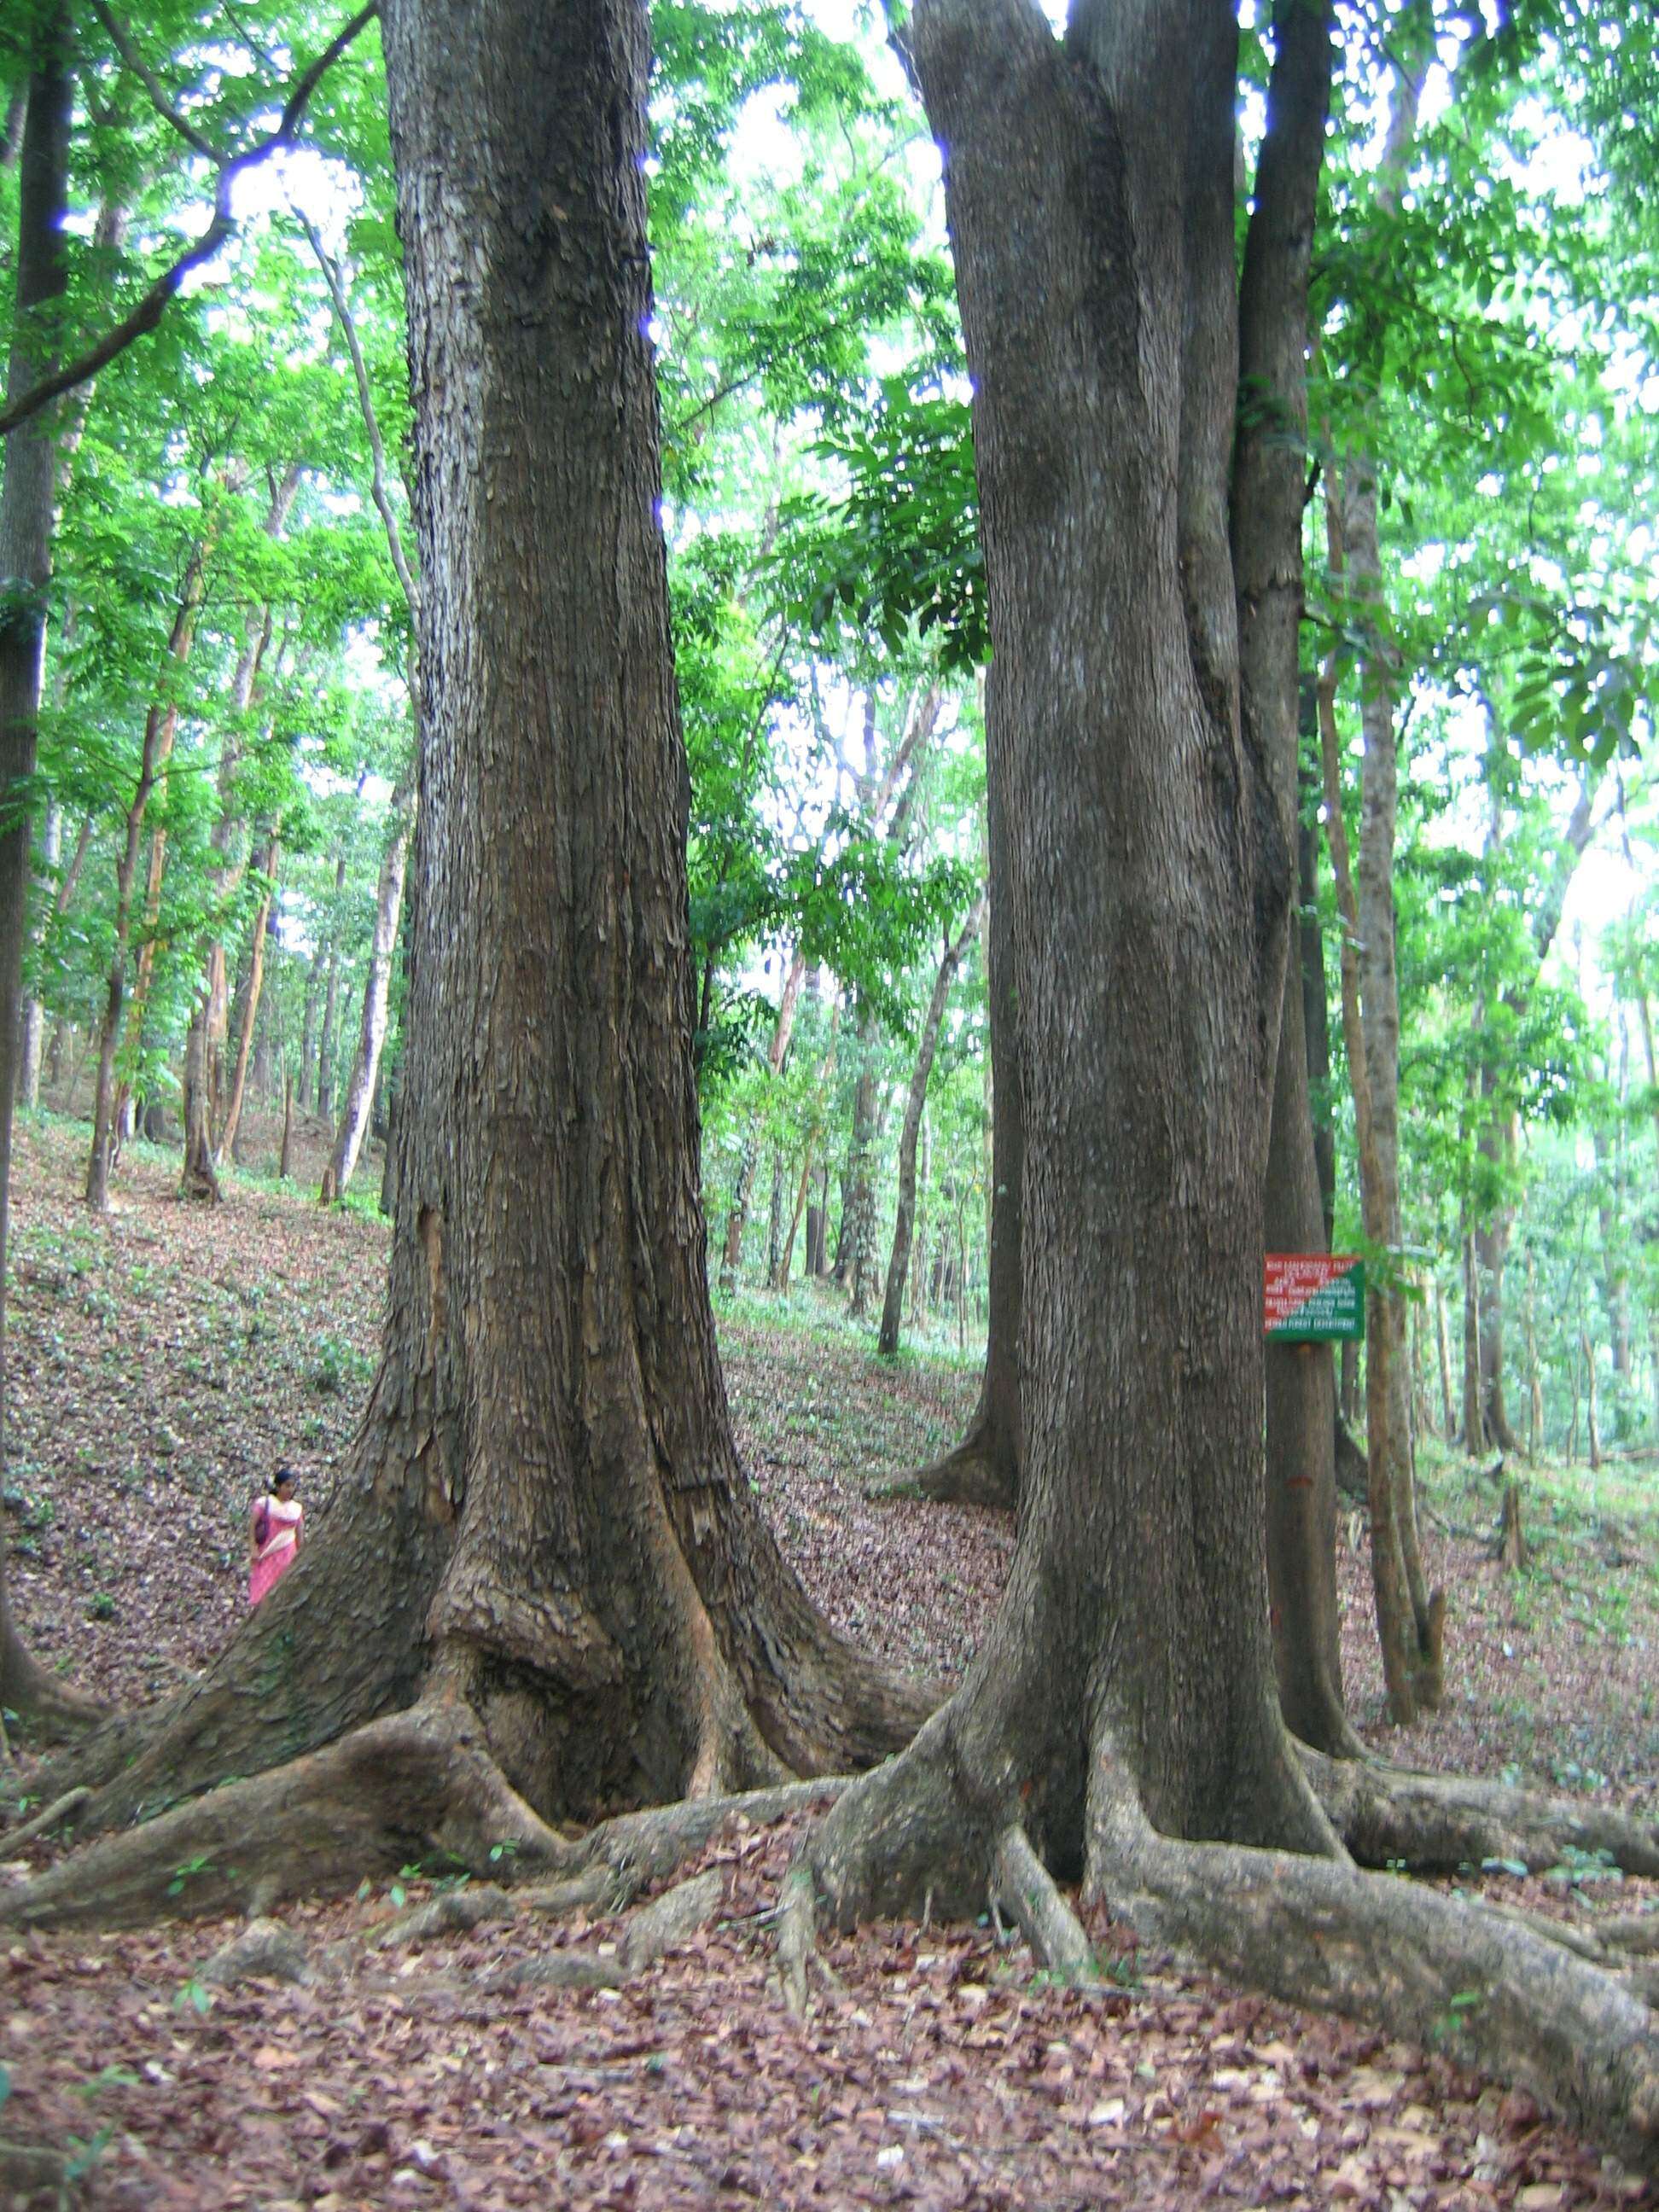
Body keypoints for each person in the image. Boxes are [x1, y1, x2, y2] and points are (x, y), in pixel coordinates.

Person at [248, 1468, 304, 1608]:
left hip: (288, 1553)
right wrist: (253, 1549)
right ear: (278, 1486)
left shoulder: (296, 1509)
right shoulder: (264, 1504)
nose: (290, 1489)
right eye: (287, 1485)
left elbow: (299, 1535)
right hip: (267, 1552)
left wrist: (300, 1555)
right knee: (264, 1589)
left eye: (292, 1486)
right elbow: (252, 1527)